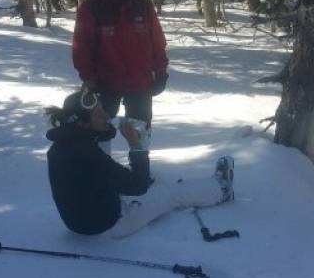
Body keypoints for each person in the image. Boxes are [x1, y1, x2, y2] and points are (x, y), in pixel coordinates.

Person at [45, 90, 234, 238]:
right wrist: (135, 144)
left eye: (103, 108)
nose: (106, 114)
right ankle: (222, 189)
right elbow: (138, 186)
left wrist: (114, 124)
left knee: (152, 181)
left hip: (79, 223)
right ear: (83, 124)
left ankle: (197, 189)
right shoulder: (88, 155)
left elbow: (97, 167)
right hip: (109, 225)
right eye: (98, 114)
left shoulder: (62, 145)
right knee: (169, 194)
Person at [72, 0, 169, 136]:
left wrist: (161, 74)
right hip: (104, 85)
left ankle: (140, 165)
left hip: (140, 84)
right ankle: (100, 165)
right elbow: (81, 48)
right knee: (98, 138)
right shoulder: (91, 8)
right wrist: (89, 80)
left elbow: (157, 43)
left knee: (140, 138)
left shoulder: (144, 6)